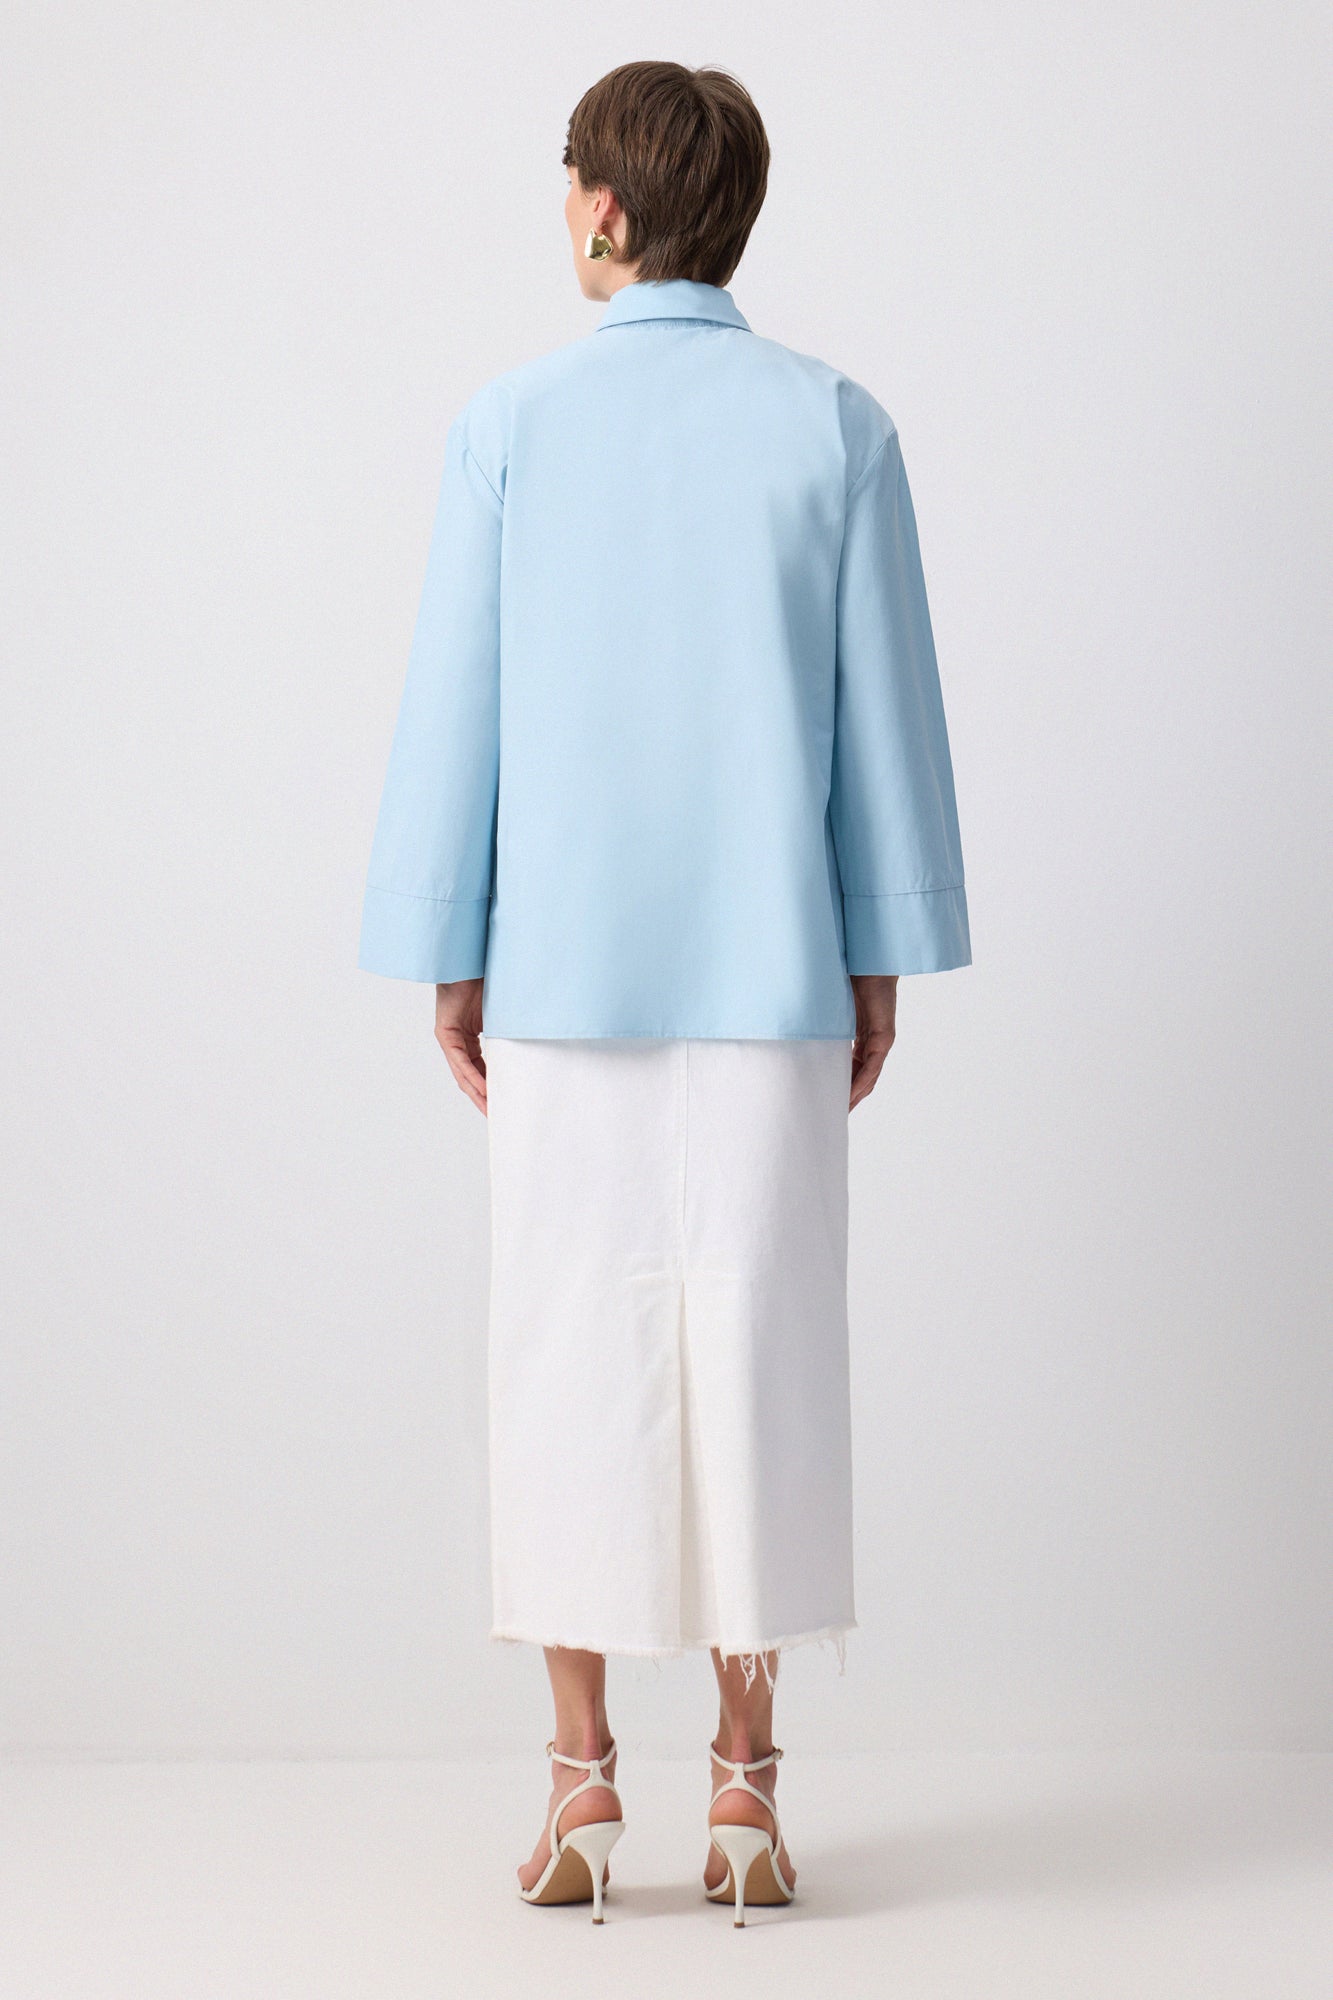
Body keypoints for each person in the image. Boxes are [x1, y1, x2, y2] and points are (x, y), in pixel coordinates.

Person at [358, 59, 971, 1926]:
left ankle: (575, 1777)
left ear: (608, 210)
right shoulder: (835, 425)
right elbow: (883, 715)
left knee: (565, 1358)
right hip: (773, 973)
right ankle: (747, 1782)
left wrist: (450, 951)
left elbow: (455, 703)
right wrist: (877, 956)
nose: (563, 211)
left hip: (565, 977)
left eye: (568, 184)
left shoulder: (512, 425)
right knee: (762, 1356)